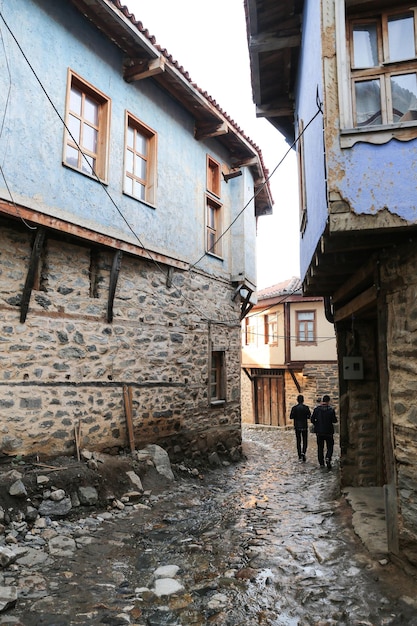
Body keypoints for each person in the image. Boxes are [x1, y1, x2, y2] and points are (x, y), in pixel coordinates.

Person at [311, 394, 337, 469]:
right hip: (328, 431)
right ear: (328, 401)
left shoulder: (317, 409)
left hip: (319, 431)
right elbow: (334, 420)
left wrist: (317, 424)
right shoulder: (331, 410)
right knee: (330, 446)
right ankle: (328, 457)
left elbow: (312, 419)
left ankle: (321, 462)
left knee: (320, 447)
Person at [289, 394, 311, 462]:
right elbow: (309, 416)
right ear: (303, 400)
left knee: (298, 441)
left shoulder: (294, 408)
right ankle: (303, 452)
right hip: (304, 426)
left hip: (297, 426)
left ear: (297, 400)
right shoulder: (306, 407)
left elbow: (291, 417)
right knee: (305, 441)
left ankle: (299, 455)